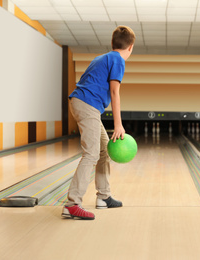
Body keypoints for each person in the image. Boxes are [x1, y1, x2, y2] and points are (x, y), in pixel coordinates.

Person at [62, 26, 135, 220]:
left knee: (103, 149)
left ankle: (104, 197)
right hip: (87, 105)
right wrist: (118, 124)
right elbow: (114, 92)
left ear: (112, 44)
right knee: (92, 153)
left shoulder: (101, 58)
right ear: (131, 47)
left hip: (81, 103)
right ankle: (72, 204)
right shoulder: (118, 60)